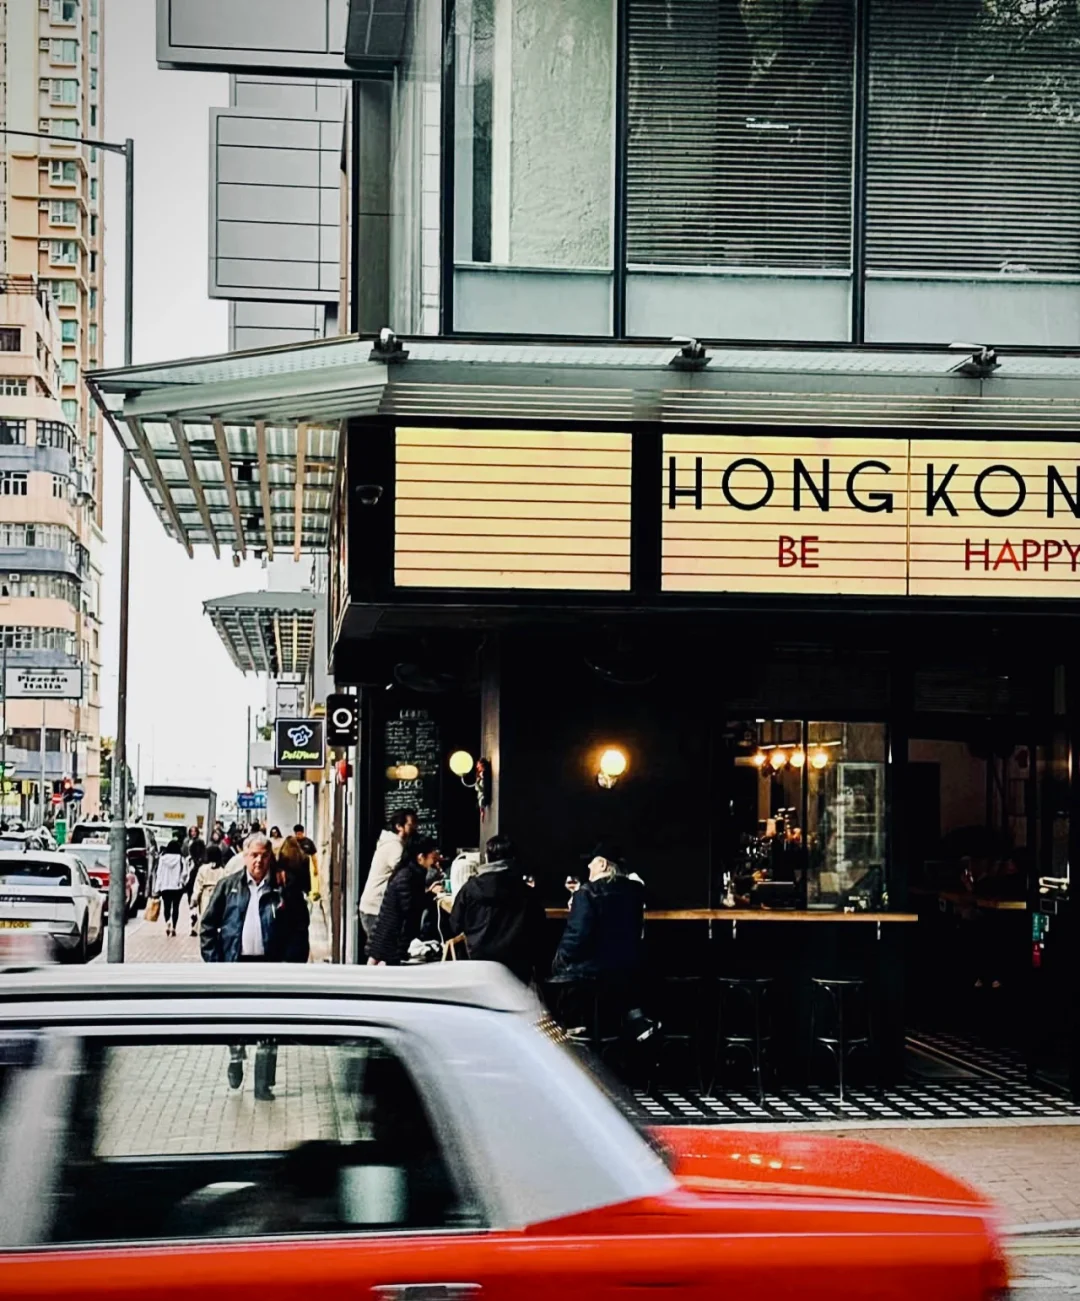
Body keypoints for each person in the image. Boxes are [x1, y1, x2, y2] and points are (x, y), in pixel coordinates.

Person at [199, 833, 308, 1099]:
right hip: (235, 967)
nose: (258, 861)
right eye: (253, 855)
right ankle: (236, 1058)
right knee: (236, 1022)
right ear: (244, 856)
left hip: (271, 968)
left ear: (271, 857)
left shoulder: (284, 887)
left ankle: (263, 1084)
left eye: (263, 855)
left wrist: (289, 965)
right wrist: (217, 964)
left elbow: (299, 929)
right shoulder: (228, 886)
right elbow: (208, 927)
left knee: (268, 1028)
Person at [448, 833, 545, 984]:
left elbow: (454, 925)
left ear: (487, 858)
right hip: (516, 966)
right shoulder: (526, 892)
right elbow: (539, 927)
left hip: (479, 963)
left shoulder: (470, 889)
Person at [552, 843, 645, 984]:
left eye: (592, 862)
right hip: (628, 972)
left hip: (589, 976)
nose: (588, 866)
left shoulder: (587, 893)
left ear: (602, 864)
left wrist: (557, 961)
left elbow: (576, 938)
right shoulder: (636, 891)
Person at [367, 838, 442, 966]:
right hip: (391, 937)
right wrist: (430, 894)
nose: (436, 858)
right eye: (432, 856)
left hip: (390, 937)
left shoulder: (413, 872)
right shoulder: (406, 876)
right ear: (420, 857)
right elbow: (410, 907)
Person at [358, 809, 417, 944]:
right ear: (398, 826)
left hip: (373, 906)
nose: (415, 827)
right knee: (380, 951)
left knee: (380, 952)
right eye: (411, 824)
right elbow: (403, 872)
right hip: (376, 907)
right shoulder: (395, 846)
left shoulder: (391, 843)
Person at [156, 832, 187, 938]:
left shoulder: (162, 859)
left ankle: (167, 922)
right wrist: (182, 881)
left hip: (165, 886)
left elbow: (159, 873)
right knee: (176, 907)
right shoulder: (180, 859)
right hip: (177, 887)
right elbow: (184, 873)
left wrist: (157, 887)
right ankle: (174, 926)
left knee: (166, 906)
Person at [191, 842, 229, 920]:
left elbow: (198, 886)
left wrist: (194, 900)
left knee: (204, 919)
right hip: (218, 897)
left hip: (205, 896)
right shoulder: (223, 870)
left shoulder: (203, 869)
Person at [182, 824, 206, 936]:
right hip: (192, 877)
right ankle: (194, 916)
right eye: (191, 831)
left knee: (193, 897)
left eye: (194, 831)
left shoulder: (199, 843)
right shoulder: (186, 842)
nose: (193, 833)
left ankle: (194, 917)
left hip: (193, 876)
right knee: (193, 897)